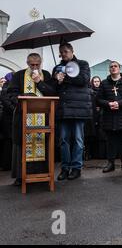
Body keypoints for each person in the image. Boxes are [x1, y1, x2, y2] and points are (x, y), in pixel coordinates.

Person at [6, 54, 56, 185]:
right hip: (23, 116)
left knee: (42, 143)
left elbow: (52, 92)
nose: (34, 67)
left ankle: (40, 174)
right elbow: (11, 93)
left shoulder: (46, 74)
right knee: (22, 145)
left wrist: (39, 82)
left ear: (41, 63)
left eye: (37, 64)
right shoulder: (19, 75)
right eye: (32, 64)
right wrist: (22, 98)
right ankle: (20, 176)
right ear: (27, 63)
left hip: (43, 118)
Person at [52, 43, 92, 181]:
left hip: (79, 108)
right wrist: (56, 80)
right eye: (61, 52)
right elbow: (53, 88)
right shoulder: (57, 68)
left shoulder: (83, 64)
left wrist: (66, 78)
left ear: (72, 51)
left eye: (66, 51)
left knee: (78, 140)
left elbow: (83, 80)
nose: (63, 54)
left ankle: (76, 168)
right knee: (63, 140)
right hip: (63, 109)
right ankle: (65, 168)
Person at [97, 61, 122, 173]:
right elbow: (98, 99)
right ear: (109, 70)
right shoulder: (104, 83)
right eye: (111, 67)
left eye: (115, 66)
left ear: (119, 69)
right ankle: (111, 163)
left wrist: (120, 103)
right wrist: (108, 104)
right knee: (110, 141)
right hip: (109, 117)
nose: (113, 68)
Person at [85, 76, 107, 160]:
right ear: (92, 82)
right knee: (90, 136)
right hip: (92, 116)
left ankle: (99, 154)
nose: (97, 83)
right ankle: (89, 154)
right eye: (95, 81)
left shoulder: (102, 92)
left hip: (101, 116)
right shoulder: (90, 92)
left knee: (100, 136)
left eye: (98, 81)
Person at [0, 73, 13, 171]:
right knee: (8, 140)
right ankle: (6, 164)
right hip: (7, 120)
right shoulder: (5, 90)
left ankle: (8, 164)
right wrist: (16, 110)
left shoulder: (7, 89)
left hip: (9, 119)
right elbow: (8, 105)